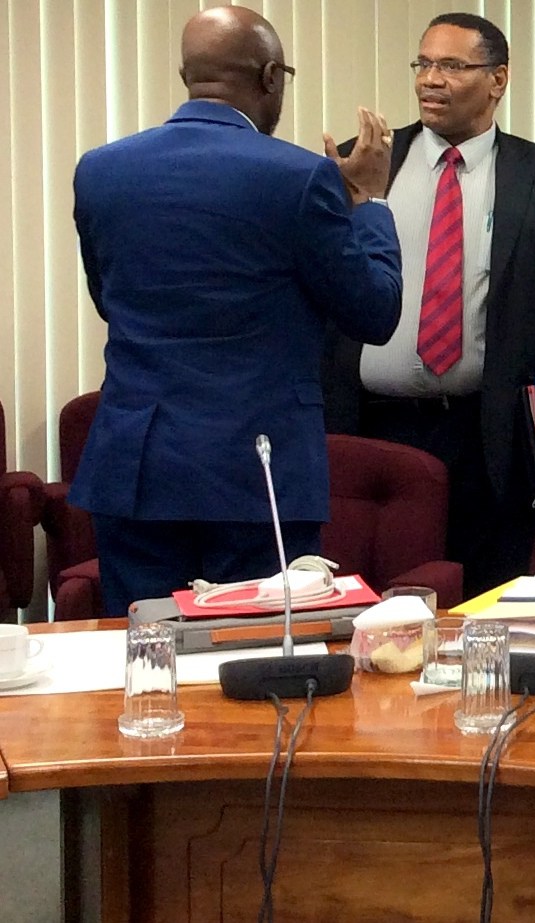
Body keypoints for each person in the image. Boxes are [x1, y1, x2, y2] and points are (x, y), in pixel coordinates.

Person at [69, 5, 402, 616]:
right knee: (252, 673)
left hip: (137, 468)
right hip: (259, 475)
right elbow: (375, 312)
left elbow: (109, 299)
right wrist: (370, 202)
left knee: (146, 666)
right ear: (271, 76)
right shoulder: (301, 179)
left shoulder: (101, 171)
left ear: (186, 74)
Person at [322, 12, 535, 599]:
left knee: (484, 609)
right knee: (370, 608)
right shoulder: (363, 164)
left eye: (453, 66)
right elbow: (320, 293)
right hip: (371, 429)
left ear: (498, 79)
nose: (432, 79)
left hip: (489, 435)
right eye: (424, 64)